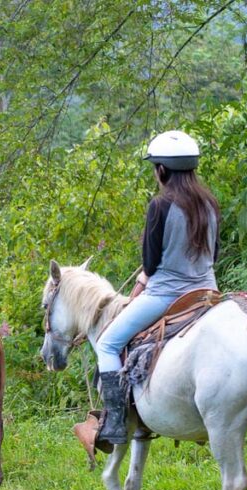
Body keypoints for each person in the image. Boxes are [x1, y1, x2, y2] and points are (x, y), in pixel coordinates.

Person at [94, 130, 221, 444]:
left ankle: (115, 424)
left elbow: (150, 266)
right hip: (207, 293)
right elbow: (214, 255)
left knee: (108, 344)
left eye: (155, 168)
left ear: (162, 170)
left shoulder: (160, 205)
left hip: (165, 295)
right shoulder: (210, 203)